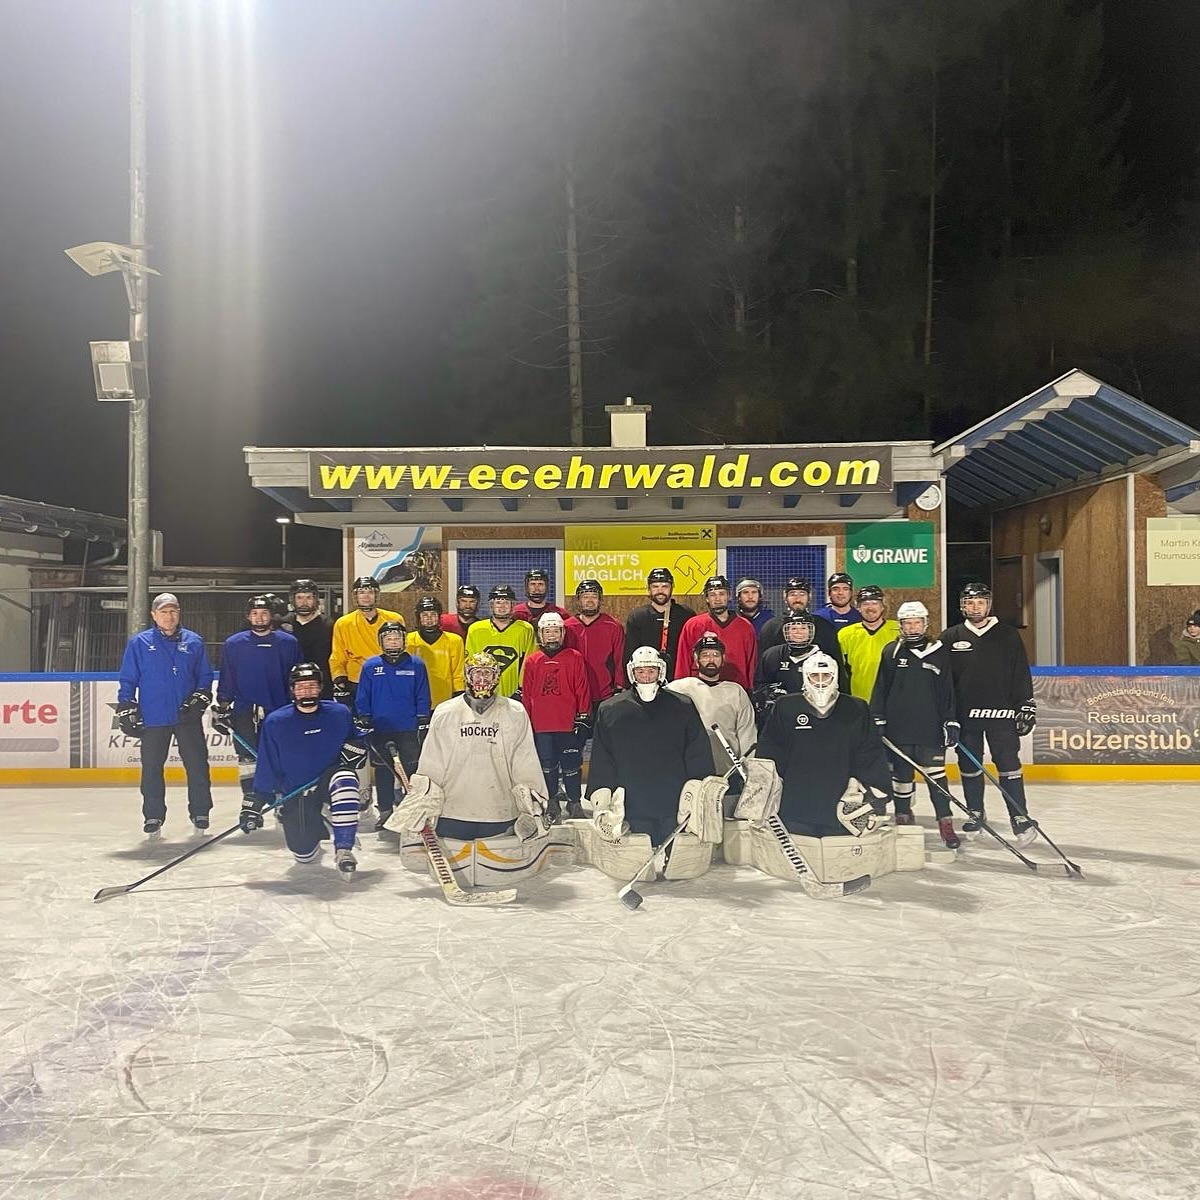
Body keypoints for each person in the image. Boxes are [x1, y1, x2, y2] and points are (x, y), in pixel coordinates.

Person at [389, 650, 548, 842]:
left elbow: (525, 760)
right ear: (467, 675)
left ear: (497, 676)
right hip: (452, 812)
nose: (482, 679)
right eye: (477, 673)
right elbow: (432, 762)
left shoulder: (515, 711)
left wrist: (531, 805)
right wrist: (423, 801)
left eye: (487, 673)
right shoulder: (446, 712)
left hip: (500, 812)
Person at [241, 661, 367, 879]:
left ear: (320, 688)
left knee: (346, 779)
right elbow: (267, 762)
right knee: (304, 855)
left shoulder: (339, 713)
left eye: (311, 686)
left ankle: (344, 848)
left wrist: (358, 751)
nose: (306, 691)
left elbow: (355, 742)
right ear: (293, 690)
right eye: (301, 687)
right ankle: (311, 822)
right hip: (297, 790)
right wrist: (257, 799)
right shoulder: (276, 721)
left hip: (329, 781)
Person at [588, 646, 715, 846]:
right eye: (640, 671)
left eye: (651, 671)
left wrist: (700, 787)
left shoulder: (682, 706)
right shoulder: (611, 710)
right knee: (638, 852)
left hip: (673, 801)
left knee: (676, 853)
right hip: (632, 803)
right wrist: (602, 792)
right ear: (632, 673)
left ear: (660, 671)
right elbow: (603, 757)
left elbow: (697, 751)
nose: (646, 677)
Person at [940, 582, 1037, 843]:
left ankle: (1019, 817)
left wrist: (1025, 705)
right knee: (969, 766)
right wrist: (946, 714)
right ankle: (975, 813)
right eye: (970, 602)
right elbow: (943, 681)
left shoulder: (1007, 635)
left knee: (1008, 765)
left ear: (988, 604)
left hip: (1002, 715)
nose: (975, 607)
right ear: (962, 606)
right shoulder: (950, 637)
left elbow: (1020, 674)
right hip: (965, 717)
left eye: (980, 602)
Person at [756, 653, 890, 837]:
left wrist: (870, 791)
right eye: (814, 676)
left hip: (838, 805)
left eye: (825, 675)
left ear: (834, 676)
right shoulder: (786, 707)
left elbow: (871, 753)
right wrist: (764, 792)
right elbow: (770, 750)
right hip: (796, 805)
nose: (820, 681)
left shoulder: (857, 708)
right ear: (806, 677)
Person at [116, 593, 215, 837]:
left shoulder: (194, 642)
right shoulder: (139, 643)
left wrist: (200, 698)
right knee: (151, 769)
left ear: (179, 613)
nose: (169, 616)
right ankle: (153, 815)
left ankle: (200, 811)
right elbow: (128, 678)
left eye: (173, 611)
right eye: (163, 612)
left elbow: (205, 676)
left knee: (197, 766)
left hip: (187, 717)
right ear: (153, 615)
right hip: (154, 717)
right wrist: (126, 705)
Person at [870, 601, 960, 848]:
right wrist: (877, 718)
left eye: (916, 623)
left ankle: (945, 821)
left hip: (929, 728)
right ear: (900, 625)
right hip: (898, 728)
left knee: (936, 776)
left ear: (925, 623)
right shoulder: (891, 651)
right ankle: (903, 818)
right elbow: (880, 688)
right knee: (901, 777)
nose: (912, 628)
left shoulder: (939, 652)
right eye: (907, 623)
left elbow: (947, 691)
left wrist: (951, 720)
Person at [211, 595, 302, 805]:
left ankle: (282, 800)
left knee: (279, 756)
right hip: (244, 710)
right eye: (254, 614)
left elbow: (296, 678)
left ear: (271, 616)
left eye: (264, 614)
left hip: (279, 711)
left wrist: (296, 707)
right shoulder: (234, 644)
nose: (259, 618)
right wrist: (223, 704)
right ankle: (251, 801)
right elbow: (228, 675)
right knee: (246, 759)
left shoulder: (288, 643)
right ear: (248, 616)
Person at [354, 620, 433, 830]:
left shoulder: (416, 664)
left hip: (408, 727)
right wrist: (365, 716)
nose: (393, 642)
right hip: (381, 727)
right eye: (388, 639)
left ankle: (412, 810)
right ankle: (386, 812)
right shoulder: (371, 666)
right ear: (381, 642)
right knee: (383, 771)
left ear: (404, 640)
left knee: (411, 770)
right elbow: (363, 695)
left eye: (397, 638)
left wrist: (423, 716)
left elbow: (422, 693)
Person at [666, 632, 756, 804]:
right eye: (705, 655)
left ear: (723, 658)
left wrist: (749, 771)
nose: (710, 659)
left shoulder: (735, 691)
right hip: (691, 775)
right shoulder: (679, 688)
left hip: (728, 773)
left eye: (715, 655)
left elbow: (747, 733)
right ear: (696, 658)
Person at [521, 612, 591, 820]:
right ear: (541, 635)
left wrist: (583, 716)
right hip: (542, 725)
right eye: (547, 632)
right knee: (547, 765)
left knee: (571, 765)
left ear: (562, 633)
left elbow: (582, 688)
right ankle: (551, 801)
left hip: (567, 724)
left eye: (555, 631)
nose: (551, 636)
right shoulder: (533, 661)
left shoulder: (574, 657)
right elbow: (528, 693)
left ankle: (575, 802)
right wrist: (527, 722)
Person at [329, 576, 404, 707]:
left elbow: (403, 651)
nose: (366, 596)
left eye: (370, 592)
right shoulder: (343, 623)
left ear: (376, 595)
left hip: (388, 677)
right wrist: (339, 680)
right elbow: (337, 656)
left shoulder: (394, 619)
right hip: (357, 681)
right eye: (361, 592)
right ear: (355, 596)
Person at [674, 576, 757, 692]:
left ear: (729, 596)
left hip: (736, 691)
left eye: (722, 594)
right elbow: (683, 660)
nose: (717, 599)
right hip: (700, 692)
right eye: (713, 595)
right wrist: (680, 689)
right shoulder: (693, 625)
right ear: (707, 598)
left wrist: (750, 689)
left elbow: (751, 663)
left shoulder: (745, 627)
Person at [622, 566, 695, 679]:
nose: (660, 591)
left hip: (679, 679)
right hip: (648, 679)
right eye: (655, 586)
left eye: (665, 586)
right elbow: (630, 653)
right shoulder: (638, 616)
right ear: (649, 589)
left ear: (672, 587)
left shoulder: (686, 614)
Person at [465, 584, 536, 698]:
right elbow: (469, 663)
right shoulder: (476, 630)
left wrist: (522, 689)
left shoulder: (525, 630)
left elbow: (530, 662)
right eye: (498, 602)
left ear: (513, 605)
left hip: (514, 696)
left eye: (506, 602)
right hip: (482, 694)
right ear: (491, 605)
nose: (502, 606)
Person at [564, 579, 625, 711]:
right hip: (574, 695)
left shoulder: (613, 626)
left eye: (594, 596)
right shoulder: (567, 627)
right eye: (585, 597)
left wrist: (619, 687)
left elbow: (619, 659)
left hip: (604, 695)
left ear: (600, 600)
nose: (590, 600)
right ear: (578, 600)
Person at [838, 585, 900, 702]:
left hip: (891, 700)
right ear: (858, 608)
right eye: (865, 604)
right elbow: (840, 671)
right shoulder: (846, 634)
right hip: (858, 700)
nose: (870, 607)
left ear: (882, 607)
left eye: (874, 603)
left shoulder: (898, 631)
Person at [406, 596, 464, 707]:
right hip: (416, 700)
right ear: (418, 618)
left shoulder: (454, 640)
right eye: (424, 615)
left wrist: (458, 695)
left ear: (439, 616)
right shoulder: (409, 640)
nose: (429, 618)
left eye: (433, 614)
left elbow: (458, 673)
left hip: (445, 700)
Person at [282, 579, 335, 696]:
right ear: (293, 600)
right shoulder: (282, 623)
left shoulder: (329, 625)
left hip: (321, 687)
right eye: (299, 598)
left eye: (308, 597)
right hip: (291, 687)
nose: (304, 602)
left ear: (316, 600)